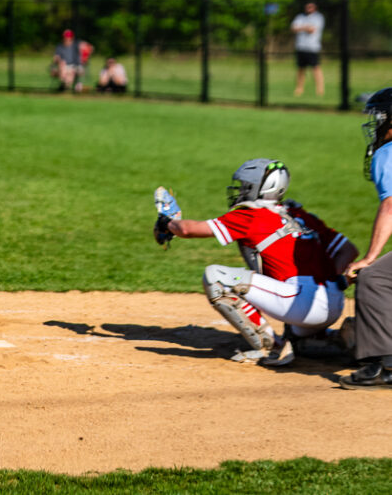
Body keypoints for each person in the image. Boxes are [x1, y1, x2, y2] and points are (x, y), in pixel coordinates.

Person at [154, 158, 357, 366]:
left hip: (298, 303)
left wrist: (167, 223)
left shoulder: (251, 215)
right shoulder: (300, 215)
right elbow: (348, 250)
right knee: (298, 340)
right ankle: (336, 339)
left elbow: (188, 229)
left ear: (260, 188)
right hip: (333, 302)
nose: (240, 191)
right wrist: (335, 278)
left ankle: (271, 347)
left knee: (216, 278)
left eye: (245, 186)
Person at [340, 87, 392, 388]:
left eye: (381, 116)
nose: (377, 123)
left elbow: (390, 204)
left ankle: (384, 365)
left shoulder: (387, 153)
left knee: (374, 279)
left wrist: (370, 258)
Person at [291, 1, 325, 97]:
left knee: (316, 68)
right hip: (301, 46)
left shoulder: (318, 17)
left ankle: (320, 89)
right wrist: (305, 27)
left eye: (311, 7)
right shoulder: (300, 17)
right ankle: (299, 89)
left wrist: (301, 28)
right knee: (301, 69)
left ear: (315, 8)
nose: (308, 9)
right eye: (307, 7)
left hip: (312, 47)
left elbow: (312, 30)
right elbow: (293, 28)